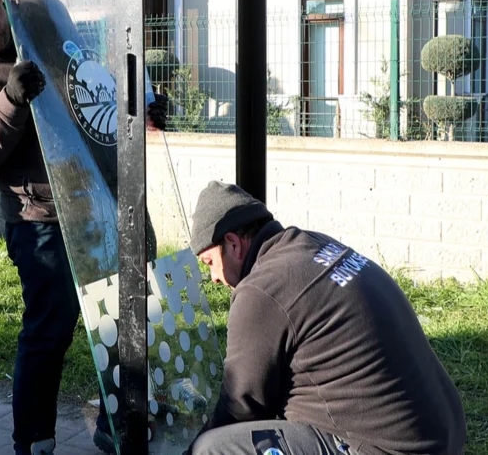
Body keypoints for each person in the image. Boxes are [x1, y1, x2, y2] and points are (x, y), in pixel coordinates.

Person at [0, 0, 167, 455]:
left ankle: (122, 421)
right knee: (49, 333)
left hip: (109, 197)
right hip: (43, 221)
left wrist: (138, 99)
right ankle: (33, 439)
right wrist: (10, 100)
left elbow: (88, 74)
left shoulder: (43, 13)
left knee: (132, 320)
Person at [183, 180, 467, 455]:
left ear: (233, 244)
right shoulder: (314, 244)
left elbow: (240, 407)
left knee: (212, 449)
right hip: (441, 434)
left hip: (388, 448)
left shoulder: (261, 289)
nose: (215, 278)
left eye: (210, 263)